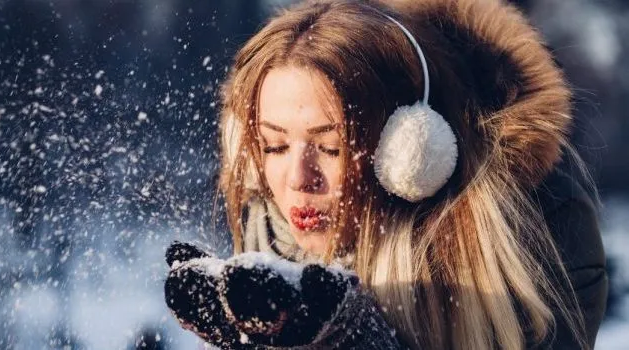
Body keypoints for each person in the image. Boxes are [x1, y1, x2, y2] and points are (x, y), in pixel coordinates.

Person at [164, 0, 608, 349]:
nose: (298, 178)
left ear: (411, 152)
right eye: (274, 146)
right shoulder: (268, 234)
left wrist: (355, 340)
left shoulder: (536, 241)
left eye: (330, 147)